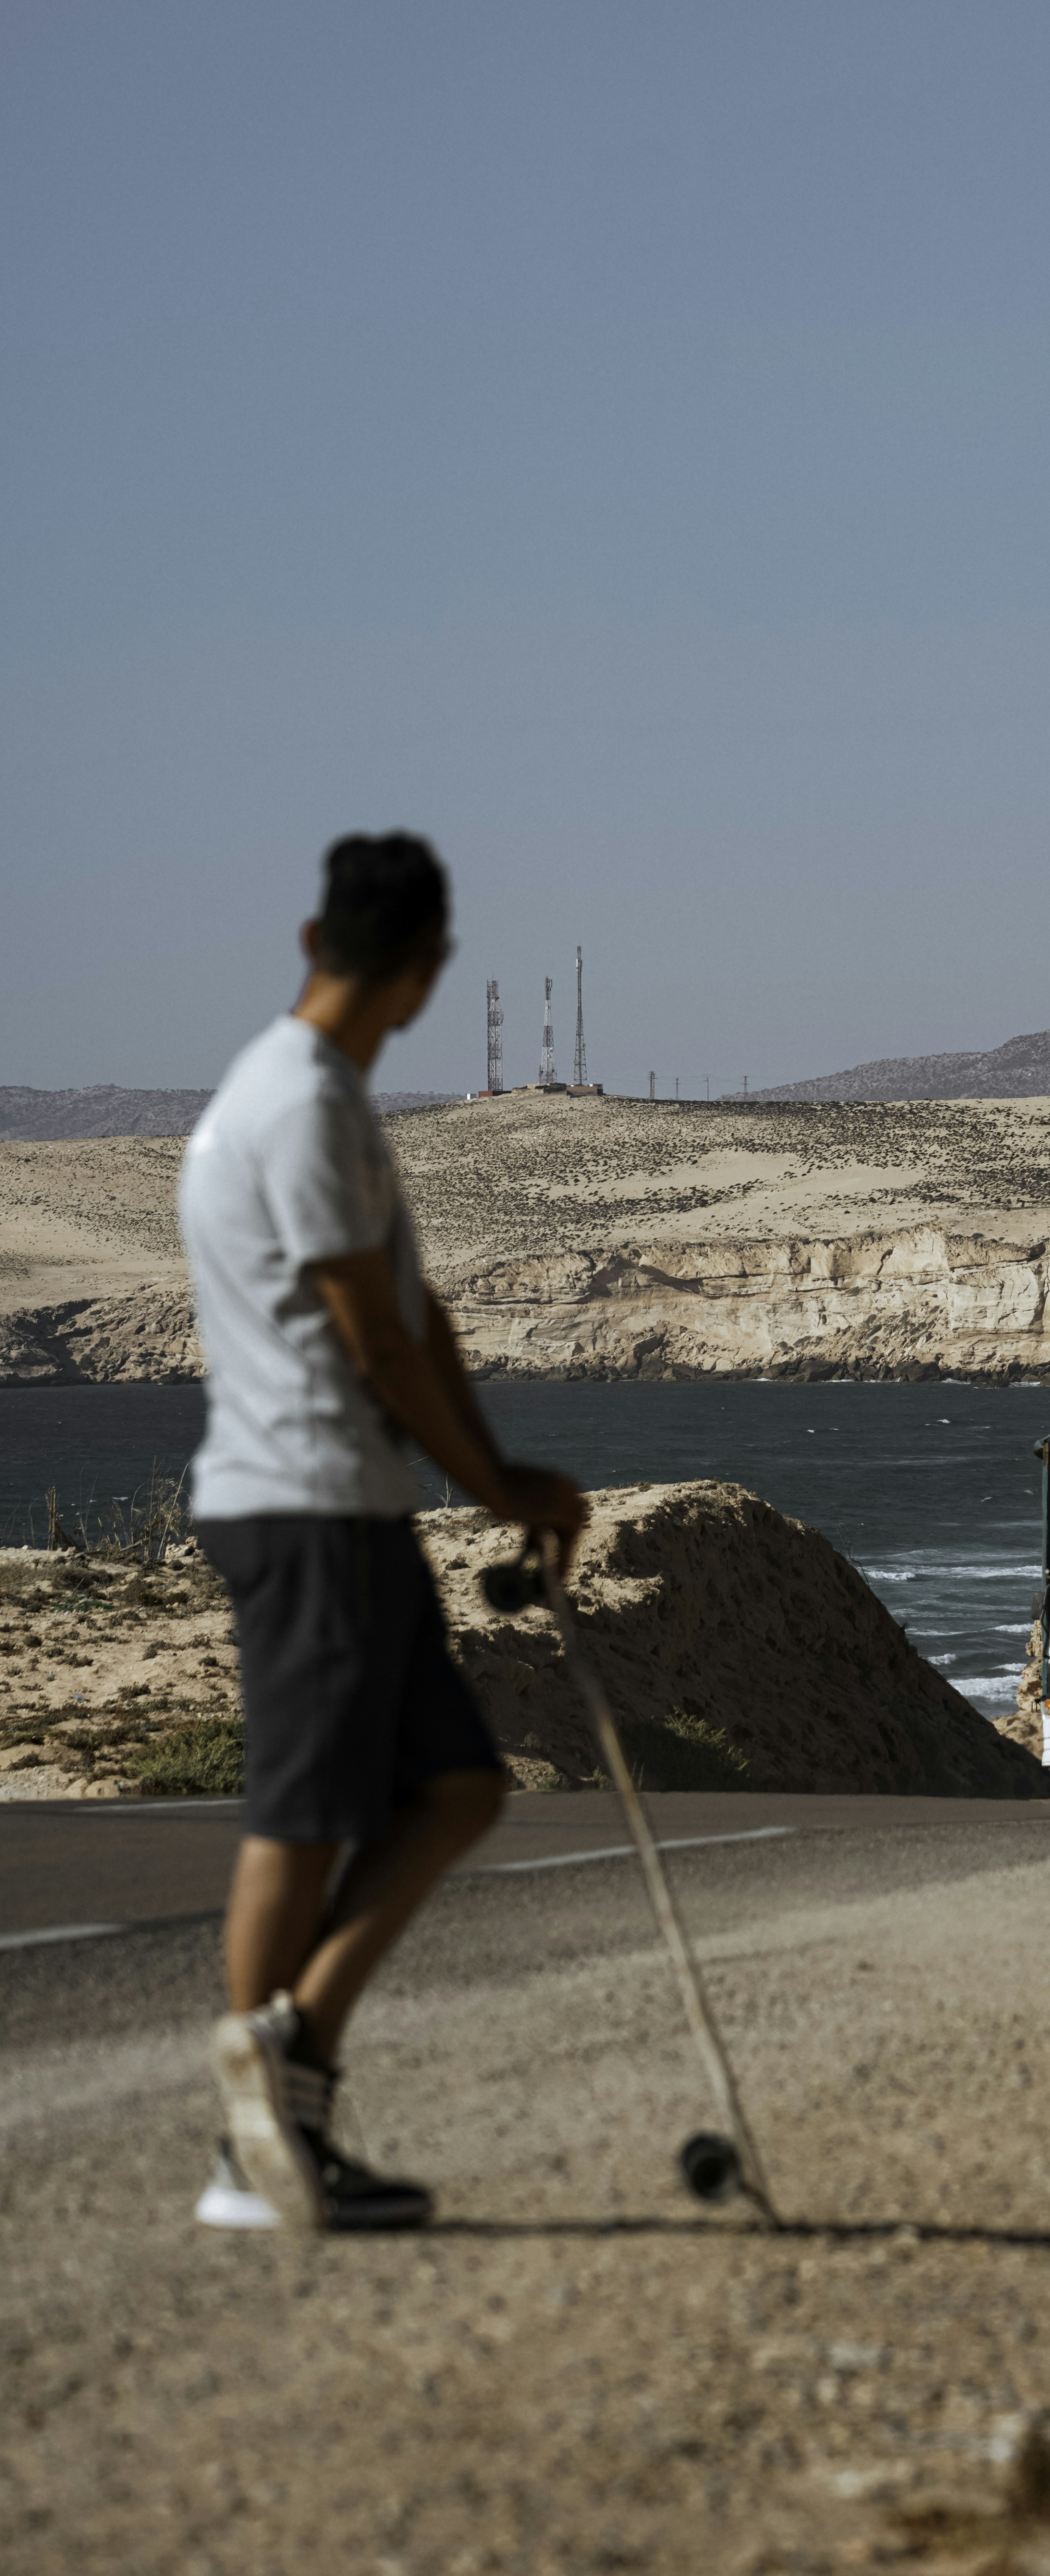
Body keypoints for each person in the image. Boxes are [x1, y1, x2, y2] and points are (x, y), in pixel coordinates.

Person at [176, 833, 585, 2230]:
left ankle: (285, 2067)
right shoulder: (293, 1105)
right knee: (301, 1817)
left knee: (457, 1785)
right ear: (425, 975)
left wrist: (497, 1472)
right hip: (303, 1501)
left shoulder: (324, 1099)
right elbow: (377, 1344)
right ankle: (254, 2152)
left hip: (350, 1499)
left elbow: (423, 1324)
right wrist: (495, 1486)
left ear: (313, 932)